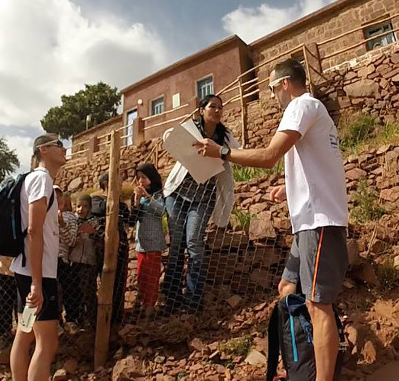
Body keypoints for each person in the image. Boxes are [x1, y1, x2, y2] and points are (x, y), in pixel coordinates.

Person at [195, 58, 349, 381]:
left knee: (319, 307)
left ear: (283, 84)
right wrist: (287, 187)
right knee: (288, 286)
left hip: (318, 222)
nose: (270, 96)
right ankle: (306, 364)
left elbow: (268, 156)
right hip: (310, 222)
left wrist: (220, 152)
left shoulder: (300, 105)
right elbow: (317, 165)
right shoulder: (315, 112)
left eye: (269, 89)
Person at [162, 94, 240, 314]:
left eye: (219, 108)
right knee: (177, 245)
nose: (216, 111)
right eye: (211, 107)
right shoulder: (190, 129)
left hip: (203, 197)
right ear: (201, 110)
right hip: (177, 194)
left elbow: (239, 152)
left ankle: (194, 300)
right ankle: (172, 297)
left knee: (195, 243)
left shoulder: (224, 137)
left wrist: (220, 151)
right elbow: (168, 136)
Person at [9, 133, 67, 381]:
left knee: (25, 333)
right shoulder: (42, 180)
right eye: (59, 145)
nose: (65, 149)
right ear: (43, 150)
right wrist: (37, 283)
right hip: (38, 273)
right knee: (47, 342)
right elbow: (33, 229)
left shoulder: (33, 180)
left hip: (27, 271)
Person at [90, 173, 131, 325]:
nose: (121, 184)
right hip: (101, 245)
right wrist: (113, 198)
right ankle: (97, 318)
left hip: (120, 247)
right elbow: (102, 209)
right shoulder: (95, 200)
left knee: (119, 282)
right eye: (119, 180)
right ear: (107, 182)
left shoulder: (122, 204)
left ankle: (116, 318)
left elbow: (129, 219)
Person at [131, 163, 166, 318]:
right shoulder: (139, 197)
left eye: (144, 178)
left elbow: (161, 211)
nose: (141, 182)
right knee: (141, 276)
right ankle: (144, 304)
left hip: (153, 243)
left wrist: (147, 197)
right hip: (141, 244)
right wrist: (136, 202)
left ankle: (150, 307)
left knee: (152, 277)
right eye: (139, 178)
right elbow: (133, 219)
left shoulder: (158, 195)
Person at [64, 195, 98, 334]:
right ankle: (77, 320)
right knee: (74, 292)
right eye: (78, 206)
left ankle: (93, 322)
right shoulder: (73, 222)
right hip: (74, 261)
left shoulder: (95, 222)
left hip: (88, 262)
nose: (80, 209)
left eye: (84, 206)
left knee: (88, 293)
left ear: (90, 208)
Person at [55, 188, 78, 333]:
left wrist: (62, 224)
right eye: (54, 196)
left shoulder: (70, 217)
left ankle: (70, 321)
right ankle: (55, 322)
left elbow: (71, 241)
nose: (57, 199)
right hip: (43, 260)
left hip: (60, 259)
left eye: (59, 196)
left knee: (67, 291)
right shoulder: (41, 215)